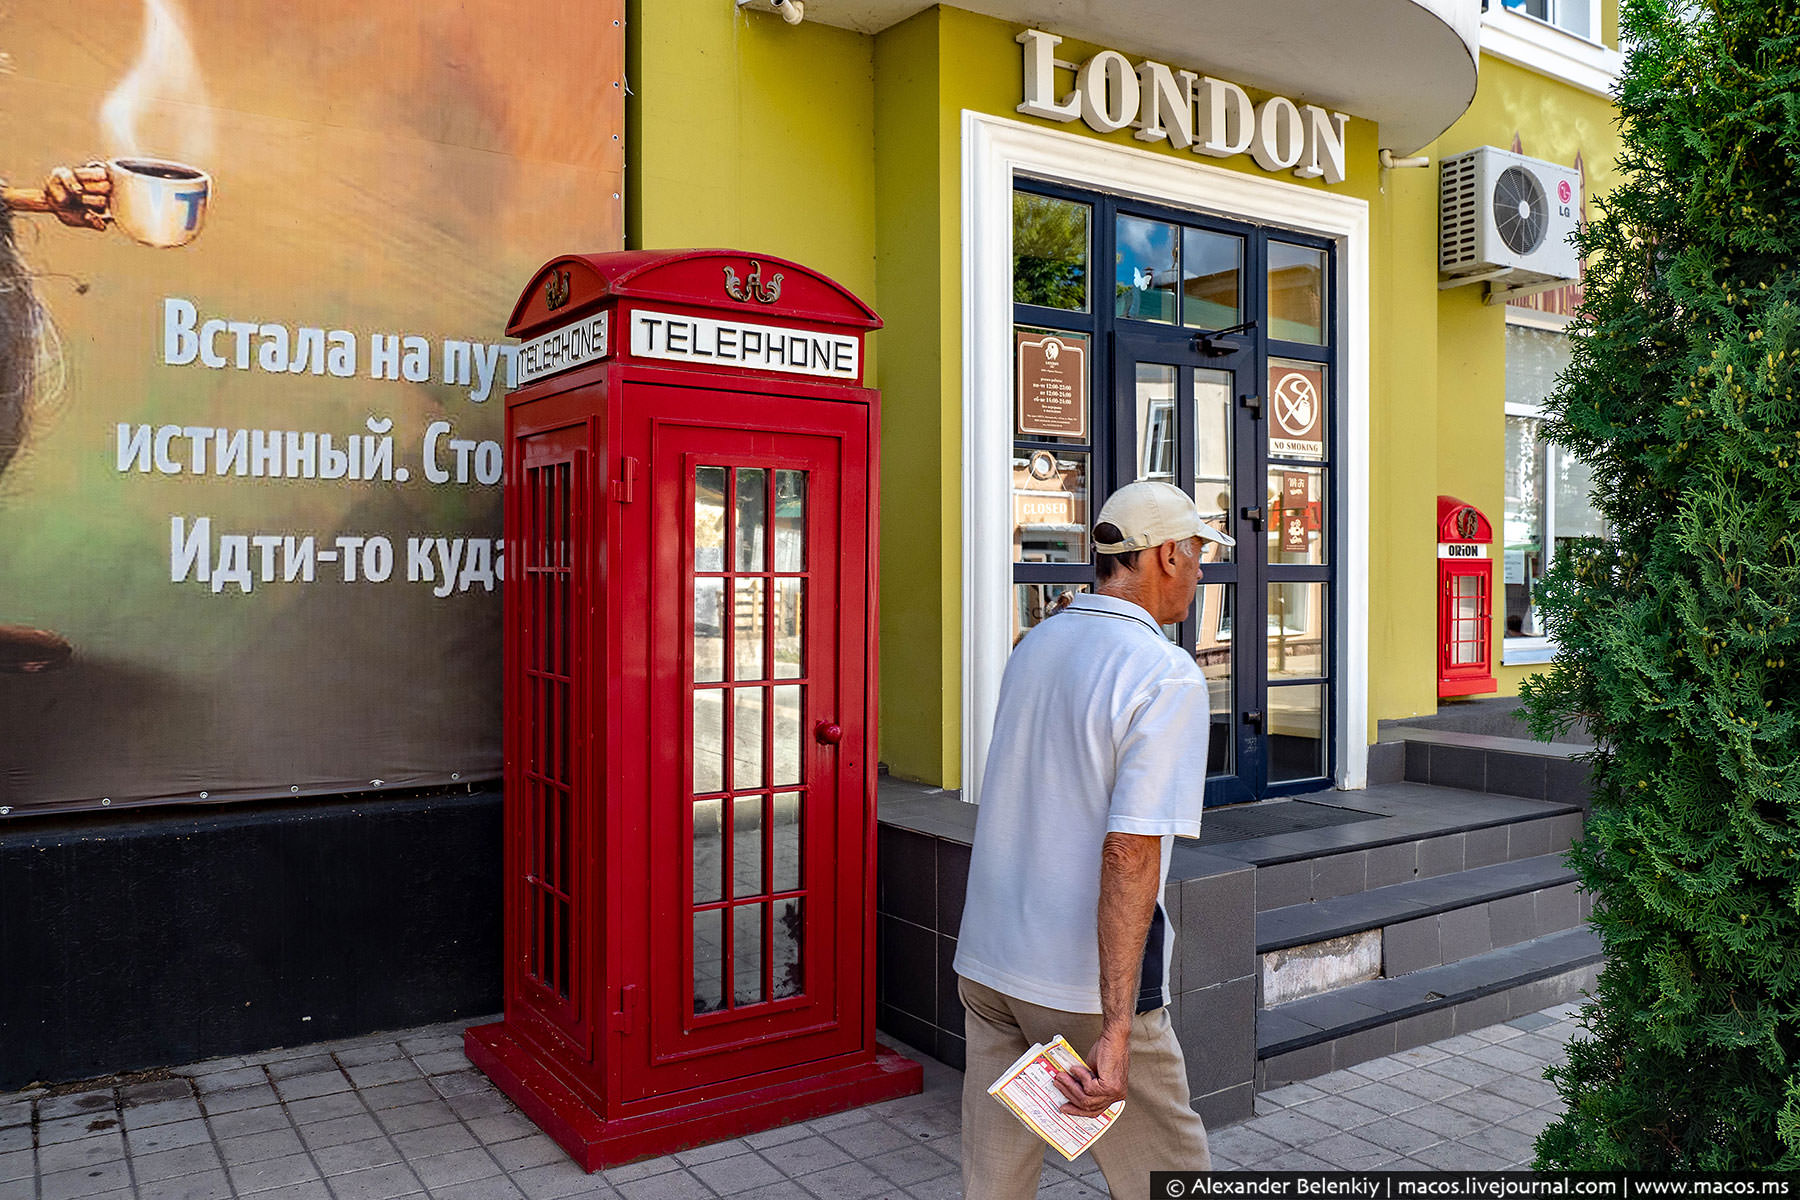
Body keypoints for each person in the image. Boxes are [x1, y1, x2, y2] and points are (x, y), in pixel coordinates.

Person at [955, 479, 1231, 1199]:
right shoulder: (1164, 672)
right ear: (1166, 554)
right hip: (1076, 986)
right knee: (1168, 1173)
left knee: (996, 1178)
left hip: (989, 965)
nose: (1202, 572)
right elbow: (1129, 851)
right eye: (1199, 552)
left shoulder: (1039, 643)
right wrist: (1115, 1026)